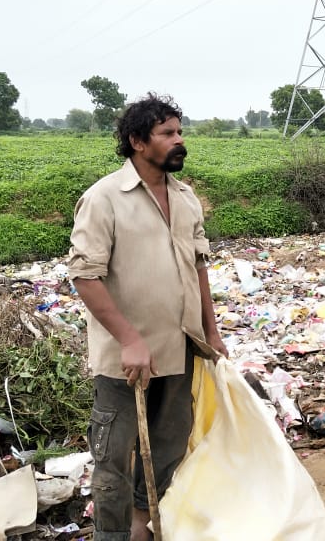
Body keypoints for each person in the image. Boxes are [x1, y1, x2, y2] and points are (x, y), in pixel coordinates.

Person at [67, 93, 228, 541]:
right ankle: (112, 536)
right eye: (168, 134)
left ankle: (145, 525)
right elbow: (85, 276)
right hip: (127, 359)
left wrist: (211, 331)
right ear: (138, 141)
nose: (180, 141)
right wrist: (129, 340)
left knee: (168, 446)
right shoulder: (104, 199)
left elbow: (198, 268)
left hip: (179, 348)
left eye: (180, 131)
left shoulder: (186, 197)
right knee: (114, 456)